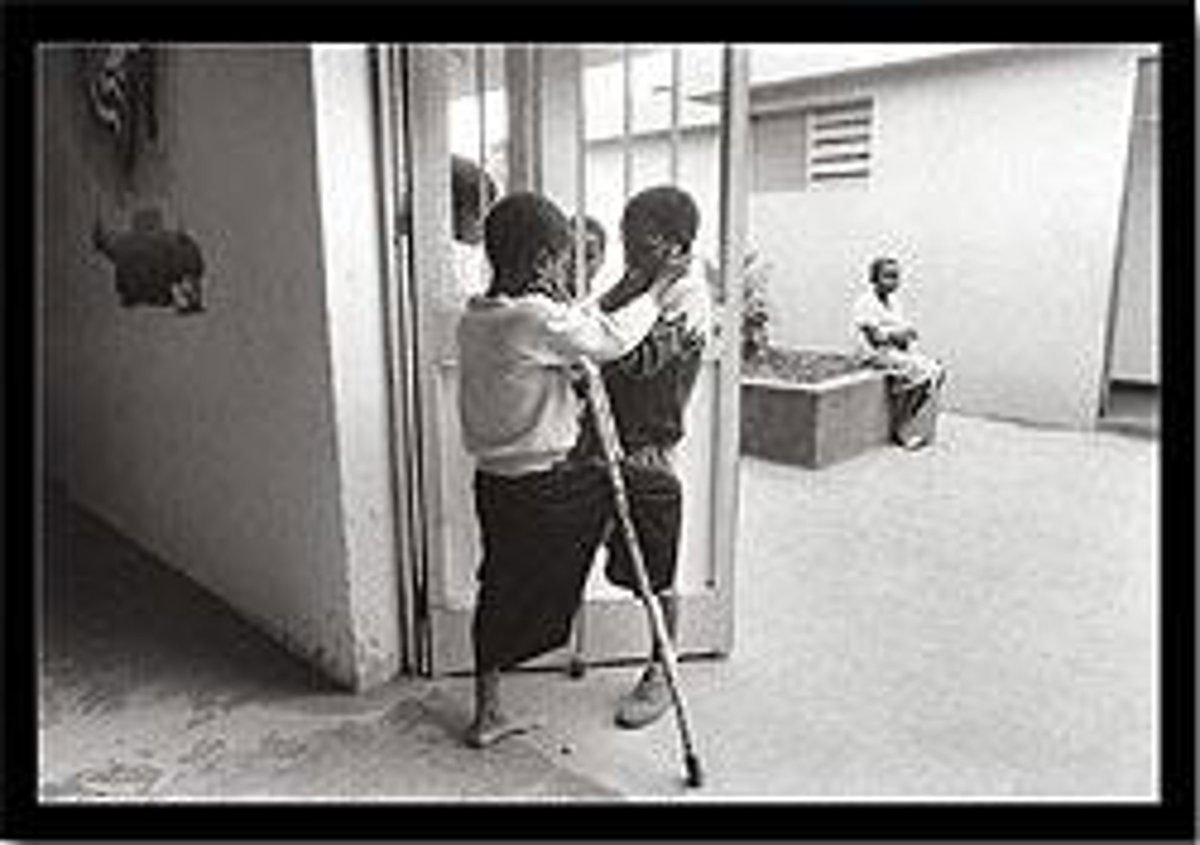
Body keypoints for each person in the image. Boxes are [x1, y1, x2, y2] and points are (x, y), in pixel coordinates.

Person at [456, 192, 690, 748]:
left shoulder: (479, 316)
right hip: (544, 486)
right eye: (562, 259)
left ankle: (487, 714)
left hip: (494, 482)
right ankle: (643, 587)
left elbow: (576, 322)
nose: (566, 270)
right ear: (543, 261)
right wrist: (656, 289)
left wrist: (620, 290)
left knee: (498, 584)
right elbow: (607, 340)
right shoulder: (532, 319)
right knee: (659, 494)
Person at [577, 186, 713, 730]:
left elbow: (636, 361)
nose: (631, 254)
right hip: (604, 435)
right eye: (627, 242)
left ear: (677, 246)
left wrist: (641, 295)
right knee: (591, 544)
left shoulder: (688, 295)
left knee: (654, 566)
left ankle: (662, 668)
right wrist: (630, 286)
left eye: (644, 244)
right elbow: (590, 324)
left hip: (648, 446)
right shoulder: (644, 284)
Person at [852, 256, 946, 449]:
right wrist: (898, 336)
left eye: (896, 277)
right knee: (923, 373)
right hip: (875, 354)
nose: (893, 281)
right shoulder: (865, 303)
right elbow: (876, 339)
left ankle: (916, 425)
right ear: (874, 278)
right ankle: (901, 429)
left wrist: (905, 335)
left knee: (937, 370)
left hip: (895, 352)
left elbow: (902, 331)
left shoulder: (894, 302)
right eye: (887, 276)